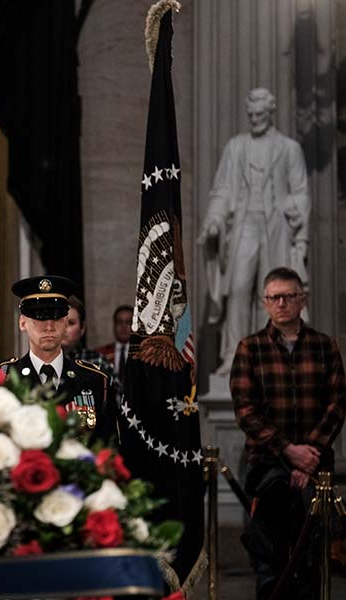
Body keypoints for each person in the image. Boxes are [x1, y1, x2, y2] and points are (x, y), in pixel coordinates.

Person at [231, 267, 345, 600]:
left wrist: (307, 454)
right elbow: (246, 411)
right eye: (274, 297)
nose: (281, 303)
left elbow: (337, 404)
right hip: (266, 465)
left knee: (311, 557)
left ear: (302, 299)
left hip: (316, 465)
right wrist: (289, 451)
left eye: (288, 296)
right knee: (271, 559)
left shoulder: (325, 347)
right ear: (265, 303)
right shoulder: (249, 348)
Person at [199, 88, 310, 375]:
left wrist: (296, 220)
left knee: (274, 293)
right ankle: (234, 353)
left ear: (270, 113)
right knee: (237, 289)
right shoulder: (236, 147)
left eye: (260, 115)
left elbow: (301, 192)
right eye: (251, 115)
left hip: (276, 227)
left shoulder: (289, 148)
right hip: (244, 224)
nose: (255, 119)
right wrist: (213, 220)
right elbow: (222, 190)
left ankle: (271, 353)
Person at [0, 276, 114, 443]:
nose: (49, 326)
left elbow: (109, 447)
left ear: (66, 322)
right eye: (40, 317)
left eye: (57, 317)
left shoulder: (95, 380)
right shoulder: (2, 378)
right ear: (22, 322)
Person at [61, 296, 114, 378]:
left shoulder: (97, 361)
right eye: (59, 322)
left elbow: (116, 389)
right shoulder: (42, 360)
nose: (63, 328)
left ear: (82, 328)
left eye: (71, 323)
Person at [94, 304, 132, 388]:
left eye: (128, 322)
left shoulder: (142, 354)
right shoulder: (100, 353)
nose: (123, 327)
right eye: (119, 322)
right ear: (114, 325)